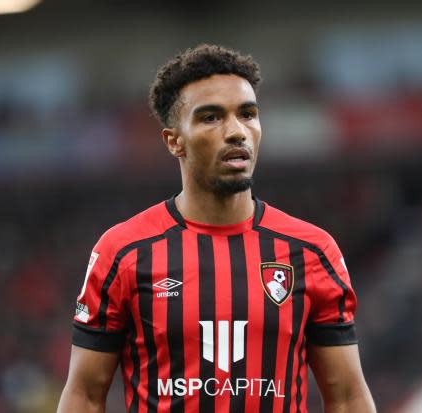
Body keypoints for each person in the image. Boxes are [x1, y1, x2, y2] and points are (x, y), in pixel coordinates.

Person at [57, 44, 376, 413]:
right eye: (211, 117)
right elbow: (83, 395)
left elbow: (349, 398)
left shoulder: (312, 251)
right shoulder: (123, 252)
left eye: (248, 114)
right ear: (174, 140)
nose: (236, 131)